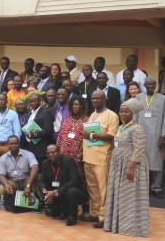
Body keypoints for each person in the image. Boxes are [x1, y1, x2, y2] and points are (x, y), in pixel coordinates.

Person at [103, 99, 150, 236]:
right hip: (118, 165)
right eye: (121, 111)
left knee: (129, 196)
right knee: (118, 195)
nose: (123, 114)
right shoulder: (121, 127)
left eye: (126, 111)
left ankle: (131, 228)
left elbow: (139, 149)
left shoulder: (137, 128)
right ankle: (116, 224)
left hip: (130, 165)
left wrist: (131, 167)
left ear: (133, 113)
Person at [82, 90, 119, 228]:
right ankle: (95, 213)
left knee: (103, 188)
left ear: (105, 99)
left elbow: (112, 135)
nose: (95, 100)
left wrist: (91, 136)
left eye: (98, 98)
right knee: (92, 187)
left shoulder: (112, 115)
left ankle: (103, 217)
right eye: (93, 98)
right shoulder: (93, 114)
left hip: (102, 157)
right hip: (89, 157)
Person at [134, 77, 165, 198]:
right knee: (141, 161)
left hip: (156, 135)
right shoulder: (138, 97)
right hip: (141, 135)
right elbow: (135, 117)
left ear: (156, 85)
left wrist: (163, 135)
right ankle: (142, 187)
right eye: (148, 84)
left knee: (156, 161)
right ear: (144, 85)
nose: (151, 86)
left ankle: (156, 188)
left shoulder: (162, 98)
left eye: (153, 84)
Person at [41, 144, 88, 226]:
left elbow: (74, 181)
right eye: (48, 153)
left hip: (72, 192)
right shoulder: (45, 163)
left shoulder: (68, 161)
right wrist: (44, 190)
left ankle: (72, 217)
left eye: (53, 152)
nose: (51, 155)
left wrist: (56, 191)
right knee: (52, 212)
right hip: (55, 193)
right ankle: (60, 208)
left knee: (72, 192)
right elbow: (42, 180)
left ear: (59, 152)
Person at [56, 96, 89, 204]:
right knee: (65, 181)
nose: (76, 106)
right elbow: (60, 139)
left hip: (79, 159)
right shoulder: (67, 121)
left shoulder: (88, 121)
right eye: (74, 104)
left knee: (82, 182)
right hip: (65, 158)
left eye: (78, 104)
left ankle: (85, 209)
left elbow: (91, 140)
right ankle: (66, 208)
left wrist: (83, 152)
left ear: (82, 105)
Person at [0, 136, 40, 213]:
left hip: (26, 180)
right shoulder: (3, 158)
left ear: (19, 144)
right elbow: (1, 175)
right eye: (11, 144)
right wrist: (6, 185)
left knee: (38, 177)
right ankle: (9, 204)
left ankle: (37, 204)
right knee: (1, 189)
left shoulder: (28, 154)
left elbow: (35, 167)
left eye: (15, 143)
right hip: (13, 182)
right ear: (7, 145)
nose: (13, 145)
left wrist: (28, 185)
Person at [26, 93, 54, 164]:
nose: (32, 103)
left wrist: (32, 134)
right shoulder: (30, 113)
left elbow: (48, 131)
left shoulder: (46, 111)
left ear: (39, 101)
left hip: (41, 148)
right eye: (31, 102)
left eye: (34, 101)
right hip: (32, 147)